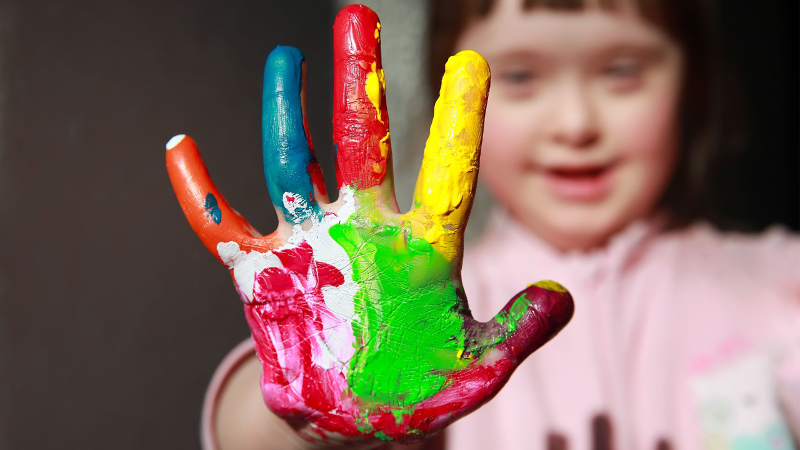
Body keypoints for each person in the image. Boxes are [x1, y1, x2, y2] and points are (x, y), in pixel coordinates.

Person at [193, 1, 800, 449]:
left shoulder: (780, 283)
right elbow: (244, 431)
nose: (575, 122)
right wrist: (305, 416)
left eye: (621, 70)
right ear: (447, 96)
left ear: (691, 83)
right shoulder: (402, 300)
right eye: (519, 77)